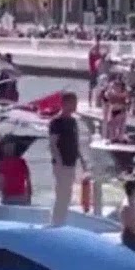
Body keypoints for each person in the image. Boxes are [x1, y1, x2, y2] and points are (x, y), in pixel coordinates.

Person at [47, 92, 84, 225]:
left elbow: (75, 142)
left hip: (71, 161)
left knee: (67, 194)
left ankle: (61, 221)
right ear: (65, 103)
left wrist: (83, 162)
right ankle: (55, 222)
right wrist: (58, 161)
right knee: (61, 193)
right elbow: (53, 143)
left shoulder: (73, 121)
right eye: (73, 102)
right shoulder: (56, 122)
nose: (75, 105)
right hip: (61, 163)